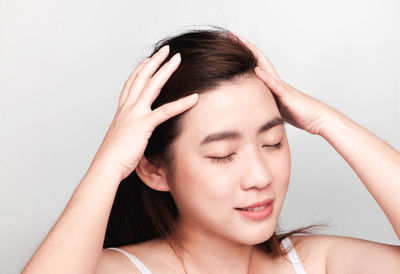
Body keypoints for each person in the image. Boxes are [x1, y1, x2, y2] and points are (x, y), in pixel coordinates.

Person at [23, 26, 400, 274]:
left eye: (273, 143)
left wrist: (325, 121)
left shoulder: (318, 264)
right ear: (155, 170)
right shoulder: (121, 269)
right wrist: (108, 166)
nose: (260, 177)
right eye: (222, 154)